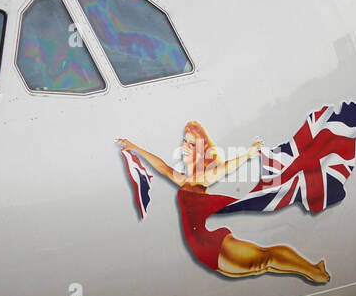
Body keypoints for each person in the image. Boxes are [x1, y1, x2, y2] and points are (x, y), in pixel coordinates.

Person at [116, 121, 330, 284]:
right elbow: (162, 167)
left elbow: (224, 168)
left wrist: (247, 155)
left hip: (213, 246)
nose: (185, 147)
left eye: (192, 144)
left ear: (199, 150)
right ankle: (312, 270)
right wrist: (134, 146)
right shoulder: (185, 179)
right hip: (204, 249)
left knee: (266, 260)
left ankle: (314, 271)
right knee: (263, 263)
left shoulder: (202, 177)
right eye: (185, 141)